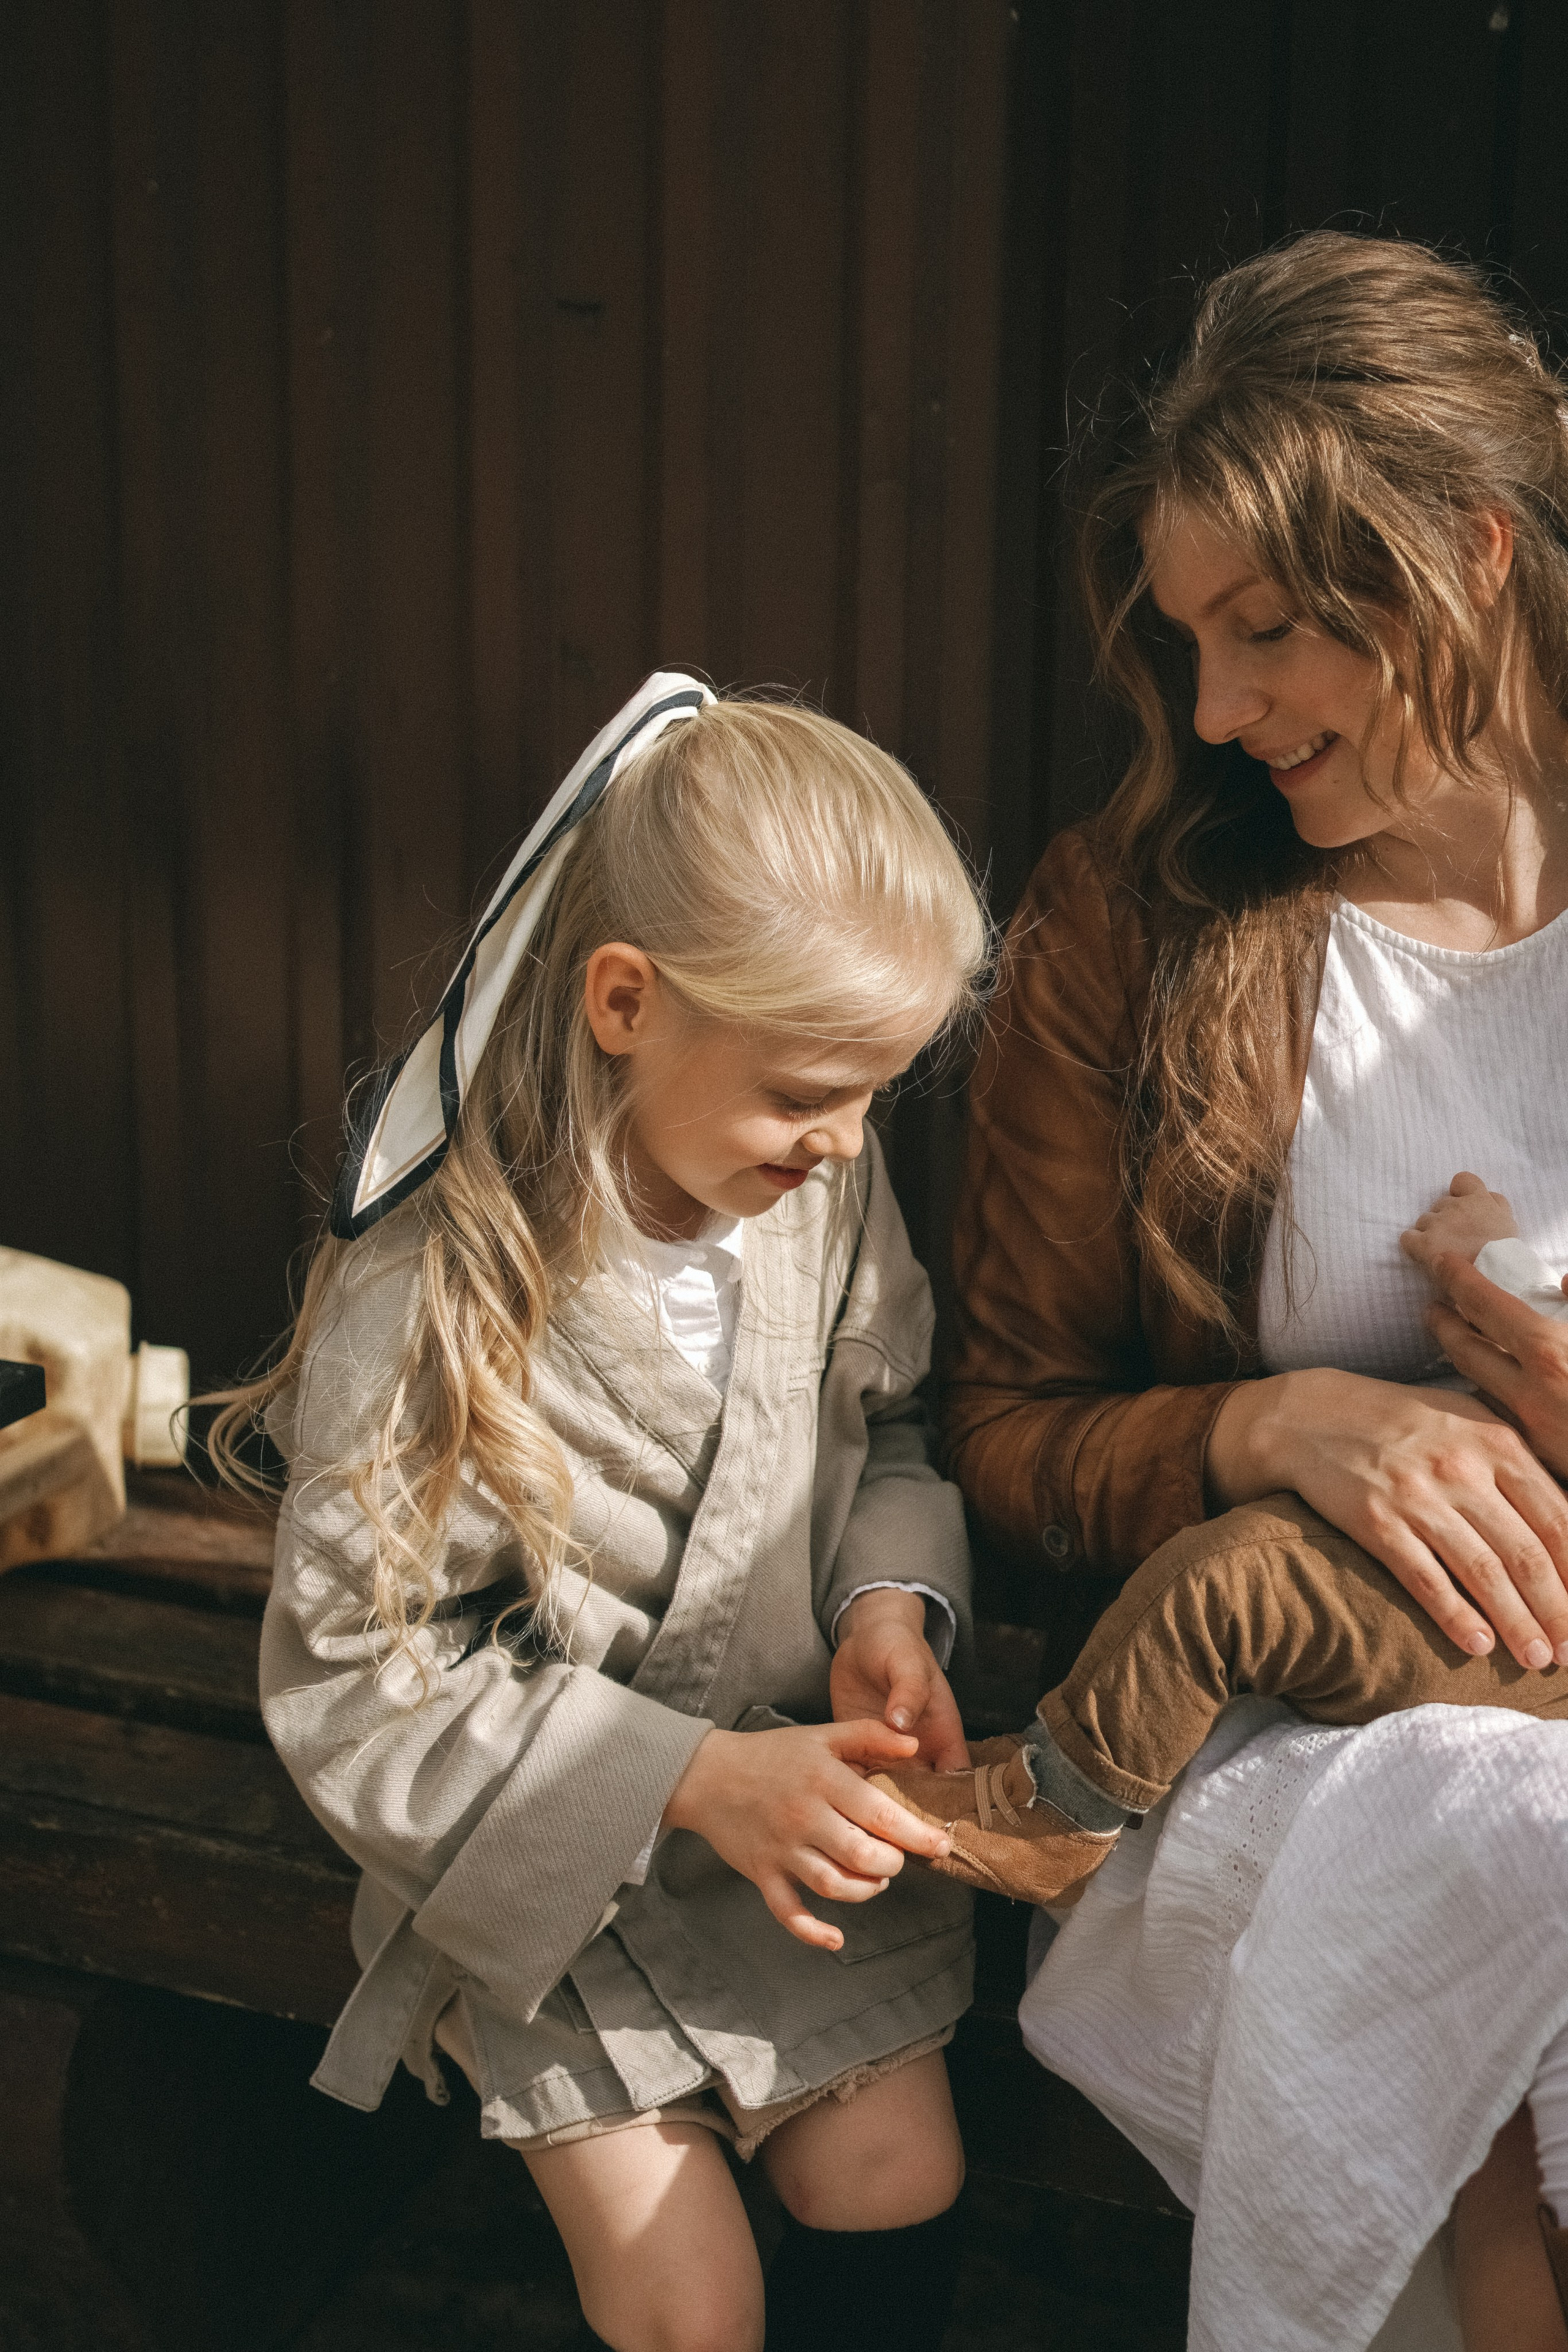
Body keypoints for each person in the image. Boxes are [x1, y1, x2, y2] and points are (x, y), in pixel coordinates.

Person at [939, 235, 1568, 2351]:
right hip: (1272, 1733)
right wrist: (1255, 1425)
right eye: (1193, 640)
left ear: (1471, 558)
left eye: (1274, 632)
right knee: (1488, 1860)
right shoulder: (1140, 913)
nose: (1216, 711)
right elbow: (1005, 1430)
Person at [212, 676, 990, 2352]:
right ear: (628, 1002)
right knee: (685, 2297)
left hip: (787, 1837)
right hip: (551, 1866)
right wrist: (693, 1778)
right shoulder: (435, 1286)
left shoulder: (816, 1201)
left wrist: (885, 1614)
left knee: (891, 2168)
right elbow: (359, 1671)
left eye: (877, 1097)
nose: (847, 1145)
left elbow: (898, 1431)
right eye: (806, 1094)